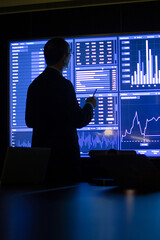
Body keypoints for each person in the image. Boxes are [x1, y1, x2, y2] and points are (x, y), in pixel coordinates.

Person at [25, 38, 96, 183]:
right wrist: (89, 105)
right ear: (64, 57)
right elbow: (79, 119)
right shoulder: (64, 85)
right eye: (70, 54)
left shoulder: (34, 85)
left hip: (42, 162)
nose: (70, 57)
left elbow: (29, 121)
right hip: (65, 162)